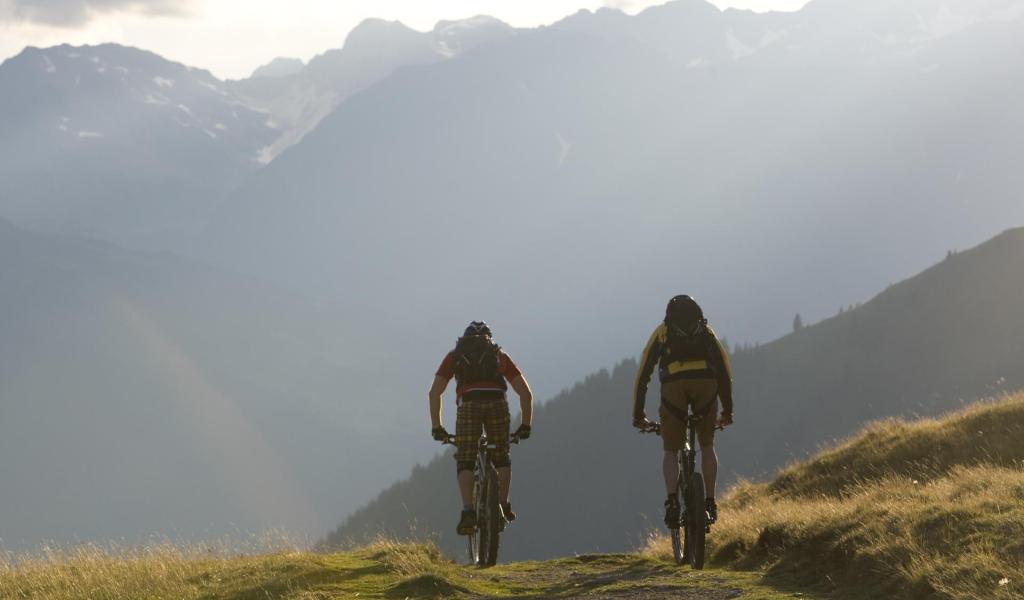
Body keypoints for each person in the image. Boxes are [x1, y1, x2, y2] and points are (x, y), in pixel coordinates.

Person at [632, 295, 733, 528]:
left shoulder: (663, 332)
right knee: (707, 445)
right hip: (706, 385)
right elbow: (724, 368)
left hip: (674, 386)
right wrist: (727, 410)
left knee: (671, 449)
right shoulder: (706, 332)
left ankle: (672, 502)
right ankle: (709, 501)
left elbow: (644, 373)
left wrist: (638, 414)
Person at [429, 321, 534, 535]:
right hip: (497, 403)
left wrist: (437, 426)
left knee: (466, 459)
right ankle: (503, 505)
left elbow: (434, 393)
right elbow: (525, 393)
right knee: (502, 456)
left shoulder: (455, 356)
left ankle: (468, 512)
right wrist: (525, 425)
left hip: (468, 404)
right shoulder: (499, 356)